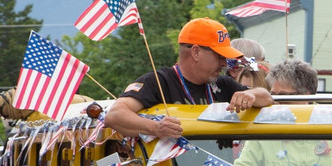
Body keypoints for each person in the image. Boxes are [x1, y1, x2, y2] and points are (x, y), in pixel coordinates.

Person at [104, 17, 274, 140]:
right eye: (220, 56)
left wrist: (252, 95)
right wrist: (156, 128)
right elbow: (115, 115)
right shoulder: (158, 81)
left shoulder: (222, 84)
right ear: (196, 52)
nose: (224, 64)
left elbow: (267, 97)